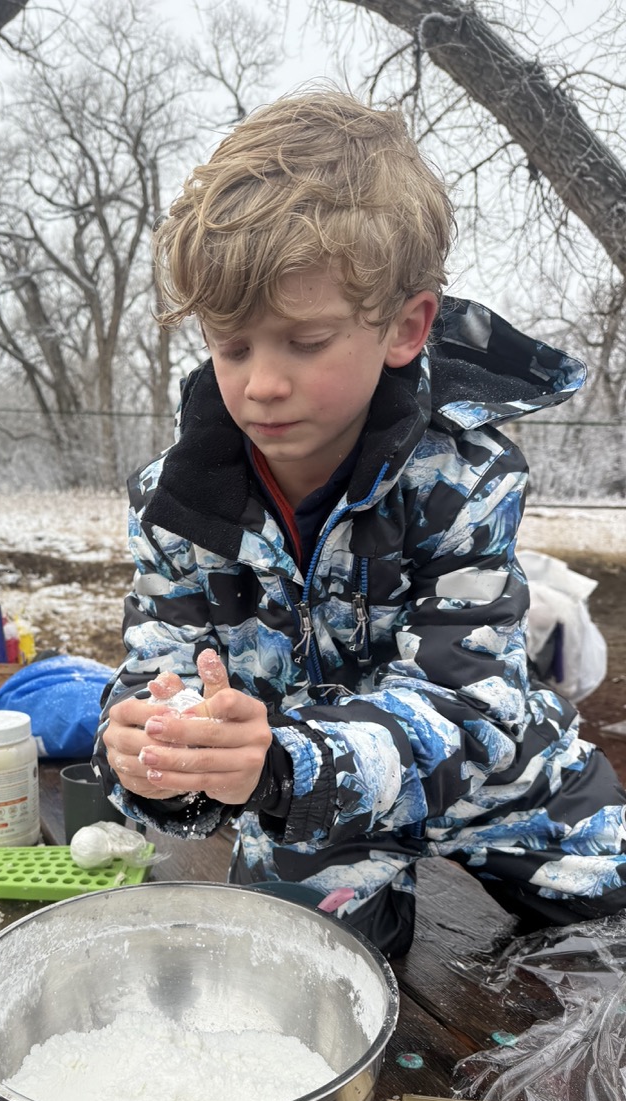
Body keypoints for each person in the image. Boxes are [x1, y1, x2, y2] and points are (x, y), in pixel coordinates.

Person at [93, 89, 626, 958]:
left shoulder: (466, 477)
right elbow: (160, 671)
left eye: (304, 342)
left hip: (483, 773)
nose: (262, 384)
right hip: (304, 802)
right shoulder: (177, 504)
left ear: (405, 327)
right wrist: (155, 753)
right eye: (232, 345)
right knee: (292, 967)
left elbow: (468, 703)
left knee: (614, 885)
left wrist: (287, 760)